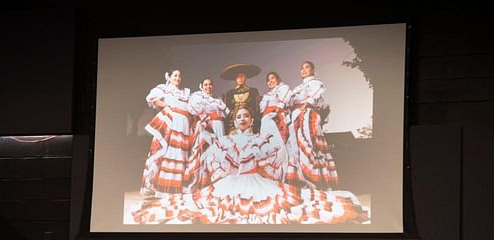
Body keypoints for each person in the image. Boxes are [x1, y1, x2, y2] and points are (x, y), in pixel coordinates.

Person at [132, 107, 367, 224]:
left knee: (288, 204)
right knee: (205, 203)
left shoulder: (261, 139)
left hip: (257, 181)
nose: (242, 118)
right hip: (230, 182)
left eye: (246, 116)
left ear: (252, 120)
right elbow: (213, 161)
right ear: (233, 121)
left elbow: (277, 159)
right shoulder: (225, 140)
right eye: (238, 116)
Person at [286, 61, 339, 190]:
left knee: (310, 144)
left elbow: (313, 99)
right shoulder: (297, 88)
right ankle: (301, 179)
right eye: (301, 68)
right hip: (296, 116)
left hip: (307, 116)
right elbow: (290, 102)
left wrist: (304, 107)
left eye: (307, 67)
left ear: (313, 70)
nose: (303, 70)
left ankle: (314, 180)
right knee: (296, 147)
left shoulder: (315, 83)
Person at [140, 69, 194, 196]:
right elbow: (152, 99)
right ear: (168, 77)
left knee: (181, 153)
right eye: (175, 75)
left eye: (179, 76)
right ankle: (155, 185)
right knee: (165, 151)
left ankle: (176, 187)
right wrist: (167, 107)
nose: (177, 78)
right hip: (171, 121)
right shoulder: (163, 88)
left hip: (184, 125)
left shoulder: (185, 92)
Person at [185, 77, 229, 190]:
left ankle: (218, 181)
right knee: (206, 151)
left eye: (210, 84)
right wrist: (205, 119)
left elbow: (226, 113)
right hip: (208, 125)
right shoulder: (197, 97)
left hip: (220, 125)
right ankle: (202, 181)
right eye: (205, 84)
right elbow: (195, 110)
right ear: (201, 86)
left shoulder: (217, 100)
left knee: (220, 151)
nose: (208, 87)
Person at [221, 63, 261, 133]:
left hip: (250, 121)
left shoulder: (253, 91)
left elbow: (257, 108)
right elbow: (227, 110)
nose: (240, 78)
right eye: (238, 77)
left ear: (246, 77)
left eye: (242, 76)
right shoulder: (229, 93)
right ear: (235, 79)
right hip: (233, 122)